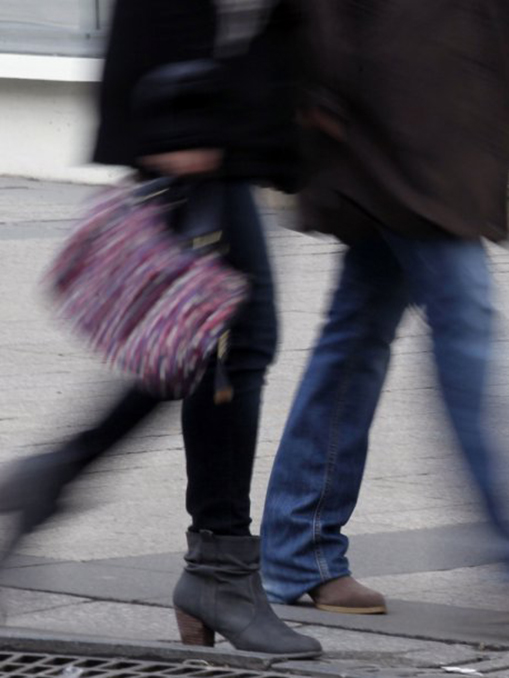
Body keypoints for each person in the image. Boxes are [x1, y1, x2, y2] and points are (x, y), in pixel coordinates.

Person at [0, 0, 321, 656]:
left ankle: (56, 479)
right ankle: (215, 572)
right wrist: (177, 118)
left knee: (211, 346)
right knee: (227, 342)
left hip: (212, 112)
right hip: (193, 115)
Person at [259, 0, 509, 618]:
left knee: (352, 344)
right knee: (459, 341)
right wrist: (326, 92)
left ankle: (300, 551)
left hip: (431, 146)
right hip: (402, 149)